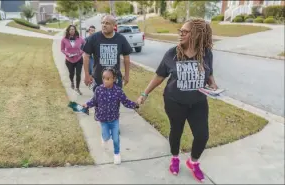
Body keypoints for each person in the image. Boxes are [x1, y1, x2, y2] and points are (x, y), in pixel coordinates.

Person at [136, 18, 218, 182]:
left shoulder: (206, 53)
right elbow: (159, 76)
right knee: (176, 131)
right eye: (180, 31)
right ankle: (175, 158)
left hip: (198, 102)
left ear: (196, 34)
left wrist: (213, 84)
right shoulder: (172, 53)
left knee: (202, 135)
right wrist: (144, 94)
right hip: (175, 101)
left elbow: (208, 74)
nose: (180, 34)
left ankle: (193, 162)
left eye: (185, 32)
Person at [83, 67, 139, 165]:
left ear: (114, 79)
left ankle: (117, 154)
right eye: (104, 78)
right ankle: (104, 138)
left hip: (114, 120)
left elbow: (125, 102)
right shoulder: (99, 90)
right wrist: (87, 104)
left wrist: (134, 105)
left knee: (116, 138)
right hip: (103, 120)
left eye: (108, 78)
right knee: (106, 136)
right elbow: (94, 101)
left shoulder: (118, 91)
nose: (105, 80)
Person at [82, 14, 133, 91]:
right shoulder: (93, 38)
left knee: (115, 102)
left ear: (114, 26)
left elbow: (126, 57)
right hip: (98, 79)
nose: (104, 25)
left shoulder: (121, 39)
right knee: (99, 102)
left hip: (115, 80)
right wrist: (86, 75)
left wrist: (127, 75)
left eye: (107, 23)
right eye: (103, 23)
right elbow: (86, 56)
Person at [61, 25, 85, 95]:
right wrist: (67, 54)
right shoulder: (64, 39)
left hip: (79, 59)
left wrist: (81, 52)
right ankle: (72, 82)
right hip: (69, 60)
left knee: (78, 74)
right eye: (70, 29)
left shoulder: (79, 38)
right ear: (68, 31)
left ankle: (77, 88)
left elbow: (85, 45)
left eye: (73, 29)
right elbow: (62, 49)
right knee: (71, 74)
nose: (72, 31)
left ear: (75, 30)